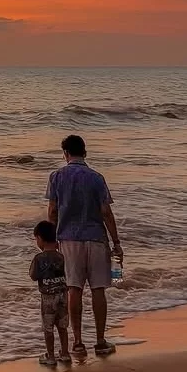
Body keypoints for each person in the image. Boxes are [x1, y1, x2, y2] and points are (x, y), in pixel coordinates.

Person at [46, 135, 123, 358]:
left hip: (68, 240)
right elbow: (106, 213)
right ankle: (100, 341)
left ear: (65, 153)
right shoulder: (97, 178)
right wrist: (116, 242)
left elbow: (52, 212)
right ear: (85, 153)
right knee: (98, 289)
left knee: (74, 289)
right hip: (96, 238)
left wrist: (51, 241)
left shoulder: (57, 177)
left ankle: (78, 342)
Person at [30, 220, 71, 367]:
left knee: (48, 328)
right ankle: (65, 353)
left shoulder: (39, 258)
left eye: (36, 239)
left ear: (40, 239)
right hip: (63, 294)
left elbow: (33, 275)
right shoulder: (61, 256)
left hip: (48, 297)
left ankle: (51, 356)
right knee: (62, 326)